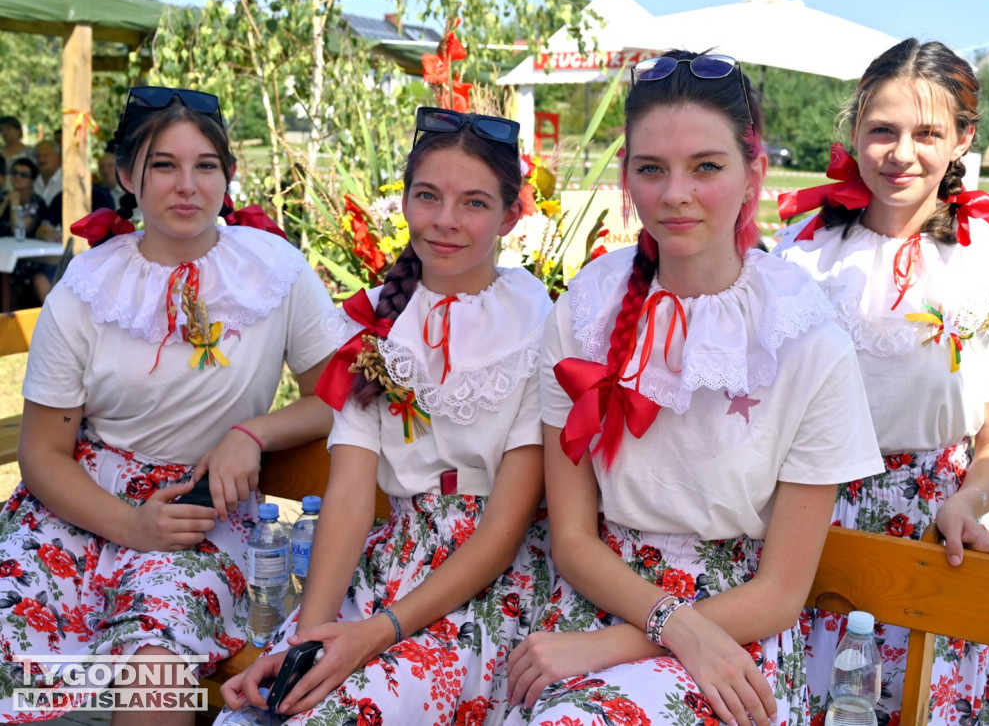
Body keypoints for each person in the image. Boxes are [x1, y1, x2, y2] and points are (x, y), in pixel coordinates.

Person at [504, 49, 883, 726]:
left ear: (753, 175)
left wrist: (645, 638)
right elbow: (572, 538)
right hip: (596, 598)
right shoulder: (585, 312)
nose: (674, 193)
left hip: (738, 634)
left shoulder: (806, 340)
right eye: (651, 169)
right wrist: (647, 625)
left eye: (706, 166)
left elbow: (781, 591)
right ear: (627, 178)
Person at [0, 86, 335, 725]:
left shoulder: (276, 271)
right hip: (82, 506)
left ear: (228, 176)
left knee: (156, 658)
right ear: (126, 175)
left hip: (202, 516)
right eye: (163, 165)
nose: (187, 185)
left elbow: (335, 395)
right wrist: (128, 525)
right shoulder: (88, 287)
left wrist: (253, 433)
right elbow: (41, 453)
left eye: (205, 165)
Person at [218, 106, 554, 725]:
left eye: (474, 203)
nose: (445, 221)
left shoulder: (540, 323)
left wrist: (379, 632)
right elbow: (348, 493)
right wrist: (312, 635)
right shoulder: (375, 323)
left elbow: (504, 531)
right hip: (387, 563)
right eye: (428, 196)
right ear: (403, 201)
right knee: (274, 705)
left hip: (488, 586)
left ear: (512, 214)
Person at [774, 38, 989, 724]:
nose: (901, 152)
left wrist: (970, 502)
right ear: (855, 130)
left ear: (963, 139)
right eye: (882, 129)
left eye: (928, 133)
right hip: (807, 525)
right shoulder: (801, 254)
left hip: (936, 535)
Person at [0, 157, 50, 306]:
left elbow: (19, 231)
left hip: (28, 258)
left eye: (23, 175)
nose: (17, 177)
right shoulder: (5, 196)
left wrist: (14, 204)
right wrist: (5, 203)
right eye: (14, 173)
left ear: (32, 180)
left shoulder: (36, 201)